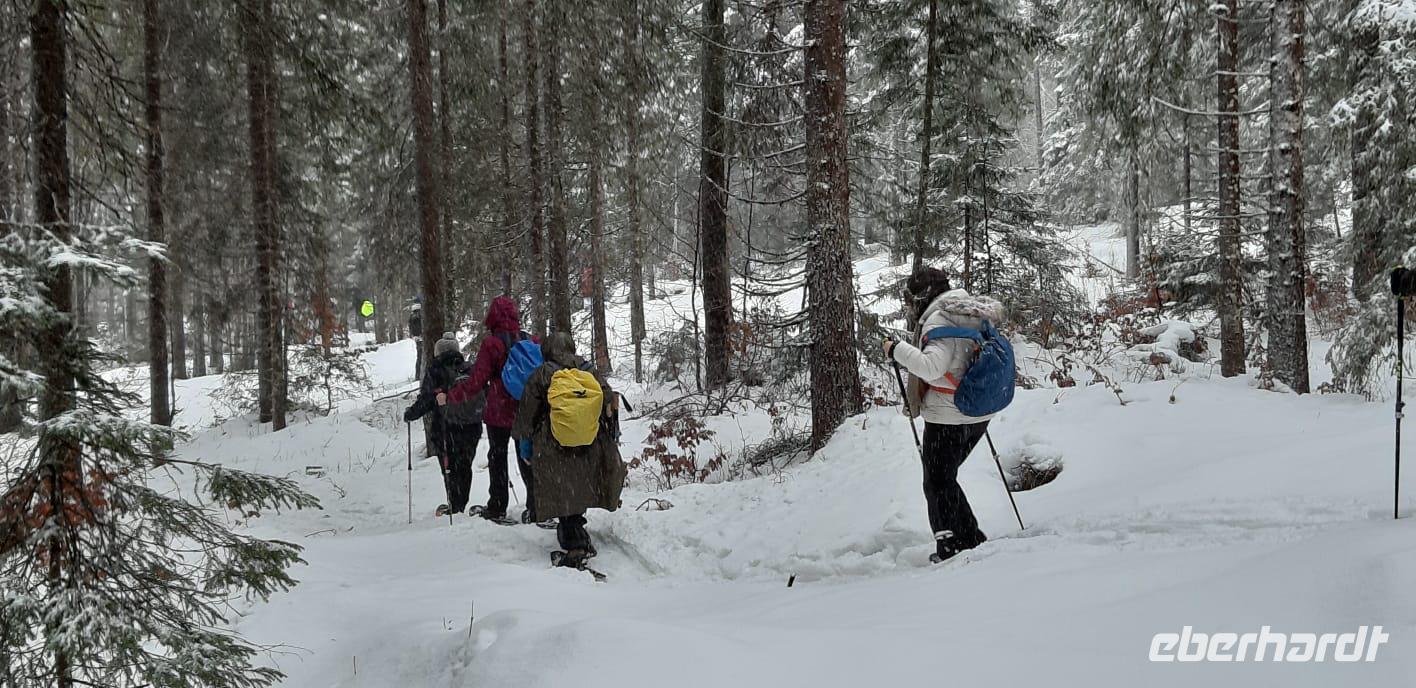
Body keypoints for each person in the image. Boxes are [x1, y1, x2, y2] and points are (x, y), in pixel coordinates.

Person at [884, 267, 1005, 564]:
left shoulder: (938, 319)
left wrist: (896, 349)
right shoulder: (973, 312)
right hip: (978, 411)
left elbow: (931, 368)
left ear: (924, 295)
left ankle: (954, 546)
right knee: (943, 479)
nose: (910, 306)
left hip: (947, 416)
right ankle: (969, 538)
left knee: (937, 482)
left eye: (911, 299)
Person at [511, 332, 626, 568]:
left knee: (563, 491)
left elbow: (526, 415)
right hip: (588, 442)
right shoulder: (587, 369)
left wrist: (525, 445)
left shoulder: (542, 374)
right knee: (578, 485)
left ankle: (575, 547)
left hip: (553, 443)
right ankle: (578, 536)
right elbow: (607, 398)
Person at [442, 296, 536, 523]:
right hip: (525, 408)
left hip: (499, 411)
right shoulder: (528, 339)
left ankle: (497, 506)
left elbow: (477, 381)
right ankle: (536, 505)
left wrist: (452, 396)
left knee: (497, 456)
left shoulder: (492, 343)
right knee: (527, 456)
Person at [405, 332, 483, 516]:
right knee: (465, 466)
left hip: (447, 427)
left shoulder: (436, 370)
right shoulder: (468, 368)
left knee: (449, 468)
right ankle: (460, 503)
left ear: (438, 351)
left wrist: (411, 414)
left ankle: (454, 505)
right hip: (472, 425)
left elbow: (426, 400)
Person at [408, 299, 424, 380]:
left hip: (417, 339)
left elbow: (411, 328)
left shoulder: (412, 316)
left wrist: (415, 337)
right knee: (421, 356)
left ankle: (418, 375)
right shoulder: (420, 316)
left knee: (419, 356)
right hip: (422, 338)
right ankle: (419, 375)